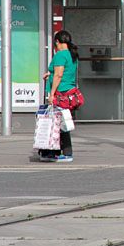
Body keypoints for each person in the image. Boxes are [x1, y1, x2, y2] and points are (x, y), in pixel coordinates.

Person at [40, 30, 79, 162]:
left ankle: (62, 153)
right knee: (62, 122)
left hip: (60, 93)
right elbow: (64, 72)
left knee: (57, 122)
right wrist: (50, 74)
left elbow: (59, 74)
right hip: (69, 92)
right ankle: (59, 152)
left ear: (57, 42)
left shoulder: (60, 55)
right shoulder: (72, 55)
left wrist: (51, 94)